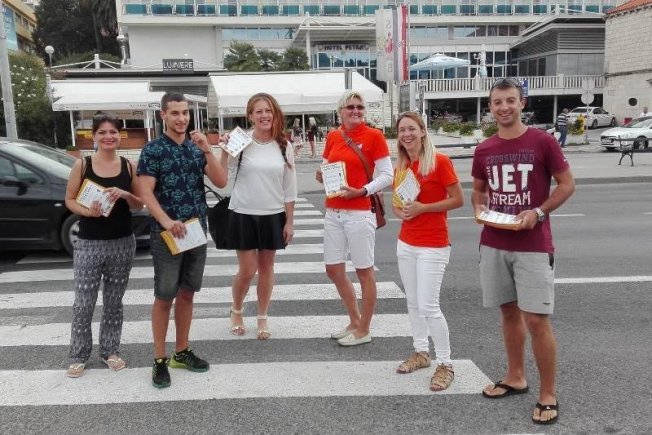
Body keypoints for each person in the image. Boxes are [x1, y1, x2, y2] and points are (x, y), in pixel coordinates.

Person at [471, 78, 575, 425]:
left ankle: (548, 393)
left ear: (522, 103)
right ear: (490, 107)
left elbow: (567, 184)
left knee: (536, 319)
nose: (504, 107)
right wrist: (479, 209)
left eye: (510, 101)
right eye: (497, 102)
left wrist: (539, 212)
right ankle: (515, 376)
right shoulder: (484, 149)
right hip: (494, 241)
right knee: (508, 313)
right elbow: (479, 191)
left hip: (533, 244)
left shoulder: (542, 142)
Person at [136, 92, 228, 389]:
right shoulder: (153, 150)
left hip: (195, 231)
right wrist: (165, 220)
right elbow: (145, 192)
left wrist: (208, 150)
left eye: (185, 113)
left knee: (187, 292)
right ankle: (159, 358)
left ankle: (181, 351)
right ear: (163, 115)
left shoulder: (195, 147)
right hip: (167, 234)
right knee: (164, 296)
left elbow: (221, 181)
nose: (181, 118)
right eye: (175, 113)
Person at [64, 113, 143, 378]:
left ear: (119, 135)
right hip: (89, 242)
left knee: (113, 302)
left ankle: (110, 351)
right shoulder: (82, 165)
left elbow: (139, 204)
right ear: (94, 136)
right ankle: (78, 355)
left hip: (122, 242)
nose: (108, 137)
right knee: (83, 303)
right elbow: (70, 200)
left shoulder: (128, 166)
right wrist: (88, 212)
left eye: (113, 132)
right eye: (102, 132)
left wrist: (127, 194)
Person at [391, 112, 464, 391]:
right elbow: (396, 203)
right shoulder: (402, 165)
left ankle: (445, 363)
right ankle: (421, 352)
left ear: (422, 131)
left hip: (433, 244)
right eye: (402, 130)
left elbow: (458, 199)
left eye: (411, 129)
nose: (406, 134)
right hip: (406, 242)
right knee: (412, 302)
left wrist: (424, 208)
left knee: (429, 306)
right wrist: (401, 211)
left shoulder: (439, 162)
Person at [316, 90, 393, 346]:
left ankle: (364, 329)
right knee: (333, 269)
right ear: (341, 111)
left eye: (359, 106)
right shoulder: (333, 136)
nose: (356, 111)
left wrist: (362, 191)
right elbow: (327, 166)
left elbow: (387, 175)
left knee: (364, 271)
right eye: (350, 107)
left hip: (359, 212)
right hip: (334, 210)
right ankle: (354, 320)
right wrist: (322, 176)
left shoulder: (374, 136)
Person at [219, 92, 297, 340]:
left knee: (266, 268)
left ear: (275, 114)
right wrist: (224, 149)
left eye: (268, 110)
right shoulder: (241, 140)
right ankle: (236, 310)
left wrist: (290, 221)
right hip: (243, 212)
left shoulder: (284, 145)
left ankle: (262, 316)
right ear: (250, 116)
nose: (264, 115)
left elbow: (289, 188)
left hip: (273, 214)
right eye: (259, 111)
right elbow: (222, 176)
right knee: (247, 270)